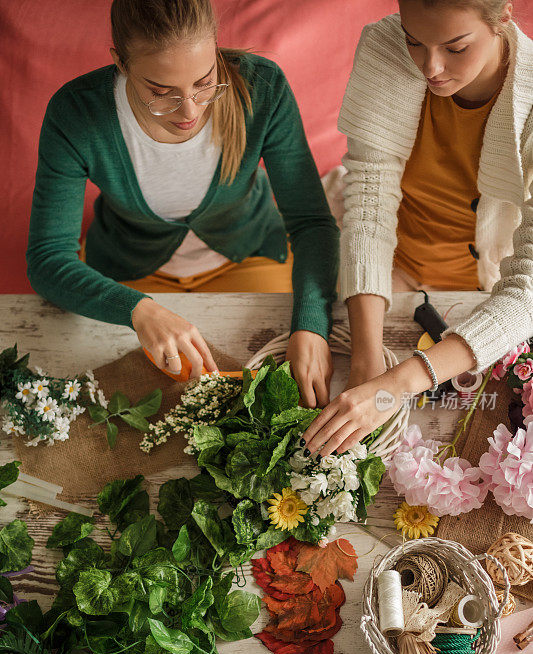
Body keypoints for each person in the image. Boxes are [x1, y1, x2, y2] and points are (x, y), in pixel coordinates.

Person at [27, 0, 339, 407]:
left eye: (205, 82)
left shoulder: (264, 88)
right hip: (126, 273)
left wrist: (312, 327)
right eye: (161, 92)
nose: (190, 110)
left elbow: (313, 221)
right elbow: (48, 258)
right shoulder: (76, 113)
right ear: (120, 63)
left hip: (250, 257)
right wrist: (139, 311)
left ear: (214, 46)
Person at [303, 0, 533, 457]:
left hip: (488, 288)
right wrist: (369, 354)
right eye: (415, 41)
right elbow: (368, 196)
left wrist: (395, 385)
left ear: (503, 18)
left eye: (456, 46)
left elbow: (527, 290)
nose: (431, 67)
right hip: (392, 262)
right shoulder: (384, 47)